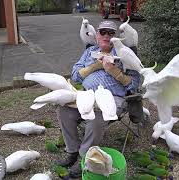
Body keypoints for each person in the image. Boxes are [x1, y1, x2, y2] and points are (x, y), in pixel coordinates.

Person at [56, 20, 141, 178]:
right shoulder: (90, 52)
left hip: (112, 98)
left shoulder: (123, 53)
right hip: (87, 95)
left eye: (111, 33)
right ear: (97, 35)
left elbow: (135, 83)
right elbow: (75, 76)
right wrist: (95, 66)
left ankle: (84, 157)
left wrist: (114, 71)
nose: (107, 36)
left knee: (97, 116)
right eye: (103, 32)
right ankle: (72, 151)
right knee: (64, 110)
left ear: (116, 37)